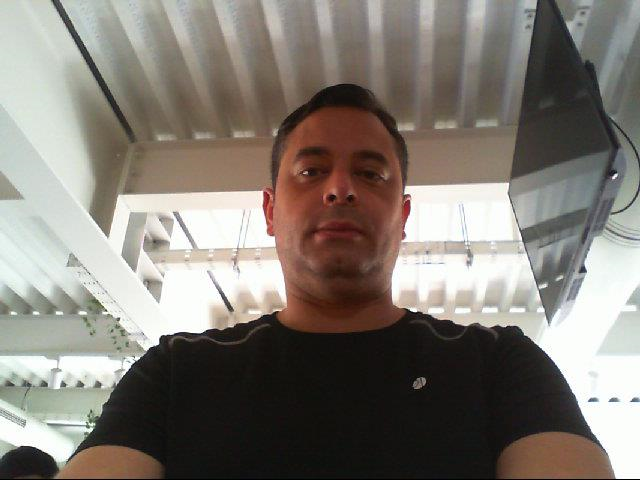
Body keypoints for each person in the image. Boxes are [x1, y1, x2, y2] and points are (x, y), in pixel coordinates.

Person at [58, 84, 615, 478]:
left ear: (402, 214)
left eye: (370, 173)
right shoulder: (175, 373)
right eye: (311, 170)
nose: (340, 188)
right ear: (270, 211)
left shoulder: (501, 366)